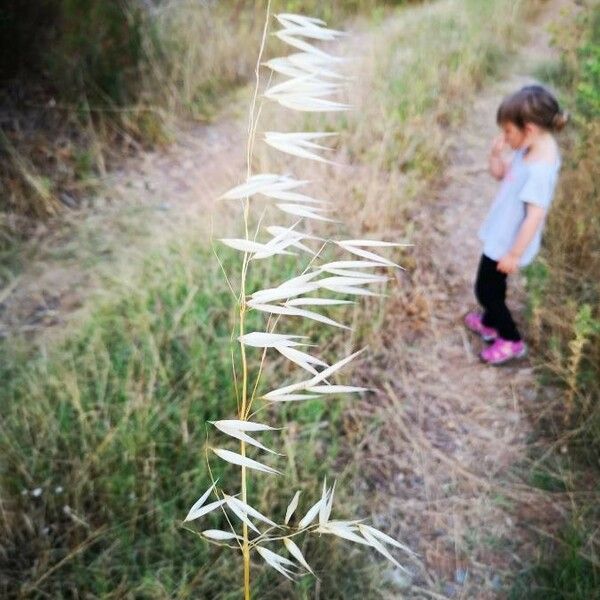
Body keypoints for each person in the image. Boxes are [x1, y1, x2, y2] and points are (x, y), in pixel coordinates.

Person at [465, 85, 568, 365]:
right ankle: (490, 321)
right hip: (502, 233)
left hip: (508, 242)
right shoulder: (529, 149)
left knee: (485, 290)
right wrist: (495, 156)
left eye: (508, 131)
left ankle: (511, 339)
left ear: (530, 129)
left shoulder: (540, 169)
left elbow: (535, 215)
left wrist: (513, 254)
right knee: (493, 286)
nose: (505, 137)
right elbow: (501, 175)